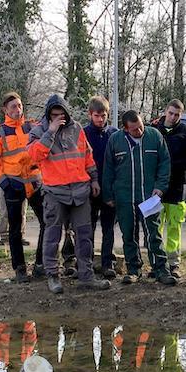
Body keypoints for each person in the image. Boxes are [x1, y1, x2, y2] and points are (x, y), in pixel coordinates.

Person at [28, 94, 110, 294]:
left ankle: (86, 276)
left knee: (84, 235)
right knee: (52, 236)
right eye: (54, 115)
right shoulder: (38, 131)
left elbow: (87, 156)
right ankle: (53, 276)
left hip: (80, 190)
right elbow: (34, 156)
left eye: (61, 114)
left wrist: (94, 179)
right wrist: (51, 132)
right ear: (48, 115)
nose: (58, 118)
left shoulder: (77, 129)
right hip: (55, 192)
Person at [102, 110, 177, 286]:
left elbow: (165, 162)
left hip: (150, 196)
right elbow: (108, 169)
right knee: (128, 234)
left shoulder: (154, 136)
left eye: (141, 126)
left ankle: (161, 269)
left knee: (154, 233)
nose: (139, 131)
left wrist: (160, 187)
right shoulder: (115, 140)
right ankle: (133, 270)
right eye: (135, 130)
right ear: (126, 129)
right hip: (124, 196)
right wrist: (109, 194)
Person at [0, 91, 45, 283]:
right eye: (13, 107)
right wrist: (4, 183)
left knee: (48, 223)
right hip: (14, 184)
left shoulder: (33, 126)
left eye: (19, 106)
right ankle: (19, 268)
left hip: (35, 183)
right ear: (5, 110)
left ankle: (41, 264)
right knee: (15, 229)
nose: (18, 110)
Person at [154, 99, 186, 278]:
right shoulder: (154, 129)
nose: (173, 117)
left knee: (174, 227)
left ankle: (173, 264)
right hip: (156, 187)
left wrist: (172, 166)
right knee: (155, 226)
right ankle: (158, 262)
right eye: (170, 113)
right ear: (165, 111)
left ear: (181, 114)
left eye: (177, 114)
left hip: (176, 186)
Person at [83, 95, 118, 278]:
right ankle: (87, 263)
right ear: (90, 115)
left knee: (109, 228)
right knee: (88, 228)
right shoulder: (83, 134)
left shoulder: (114, 134)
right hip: (89, 189)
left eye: (103, 115)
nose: (100, 119)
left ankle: (107, 263)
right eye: (97, 115)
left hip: (109, 189)